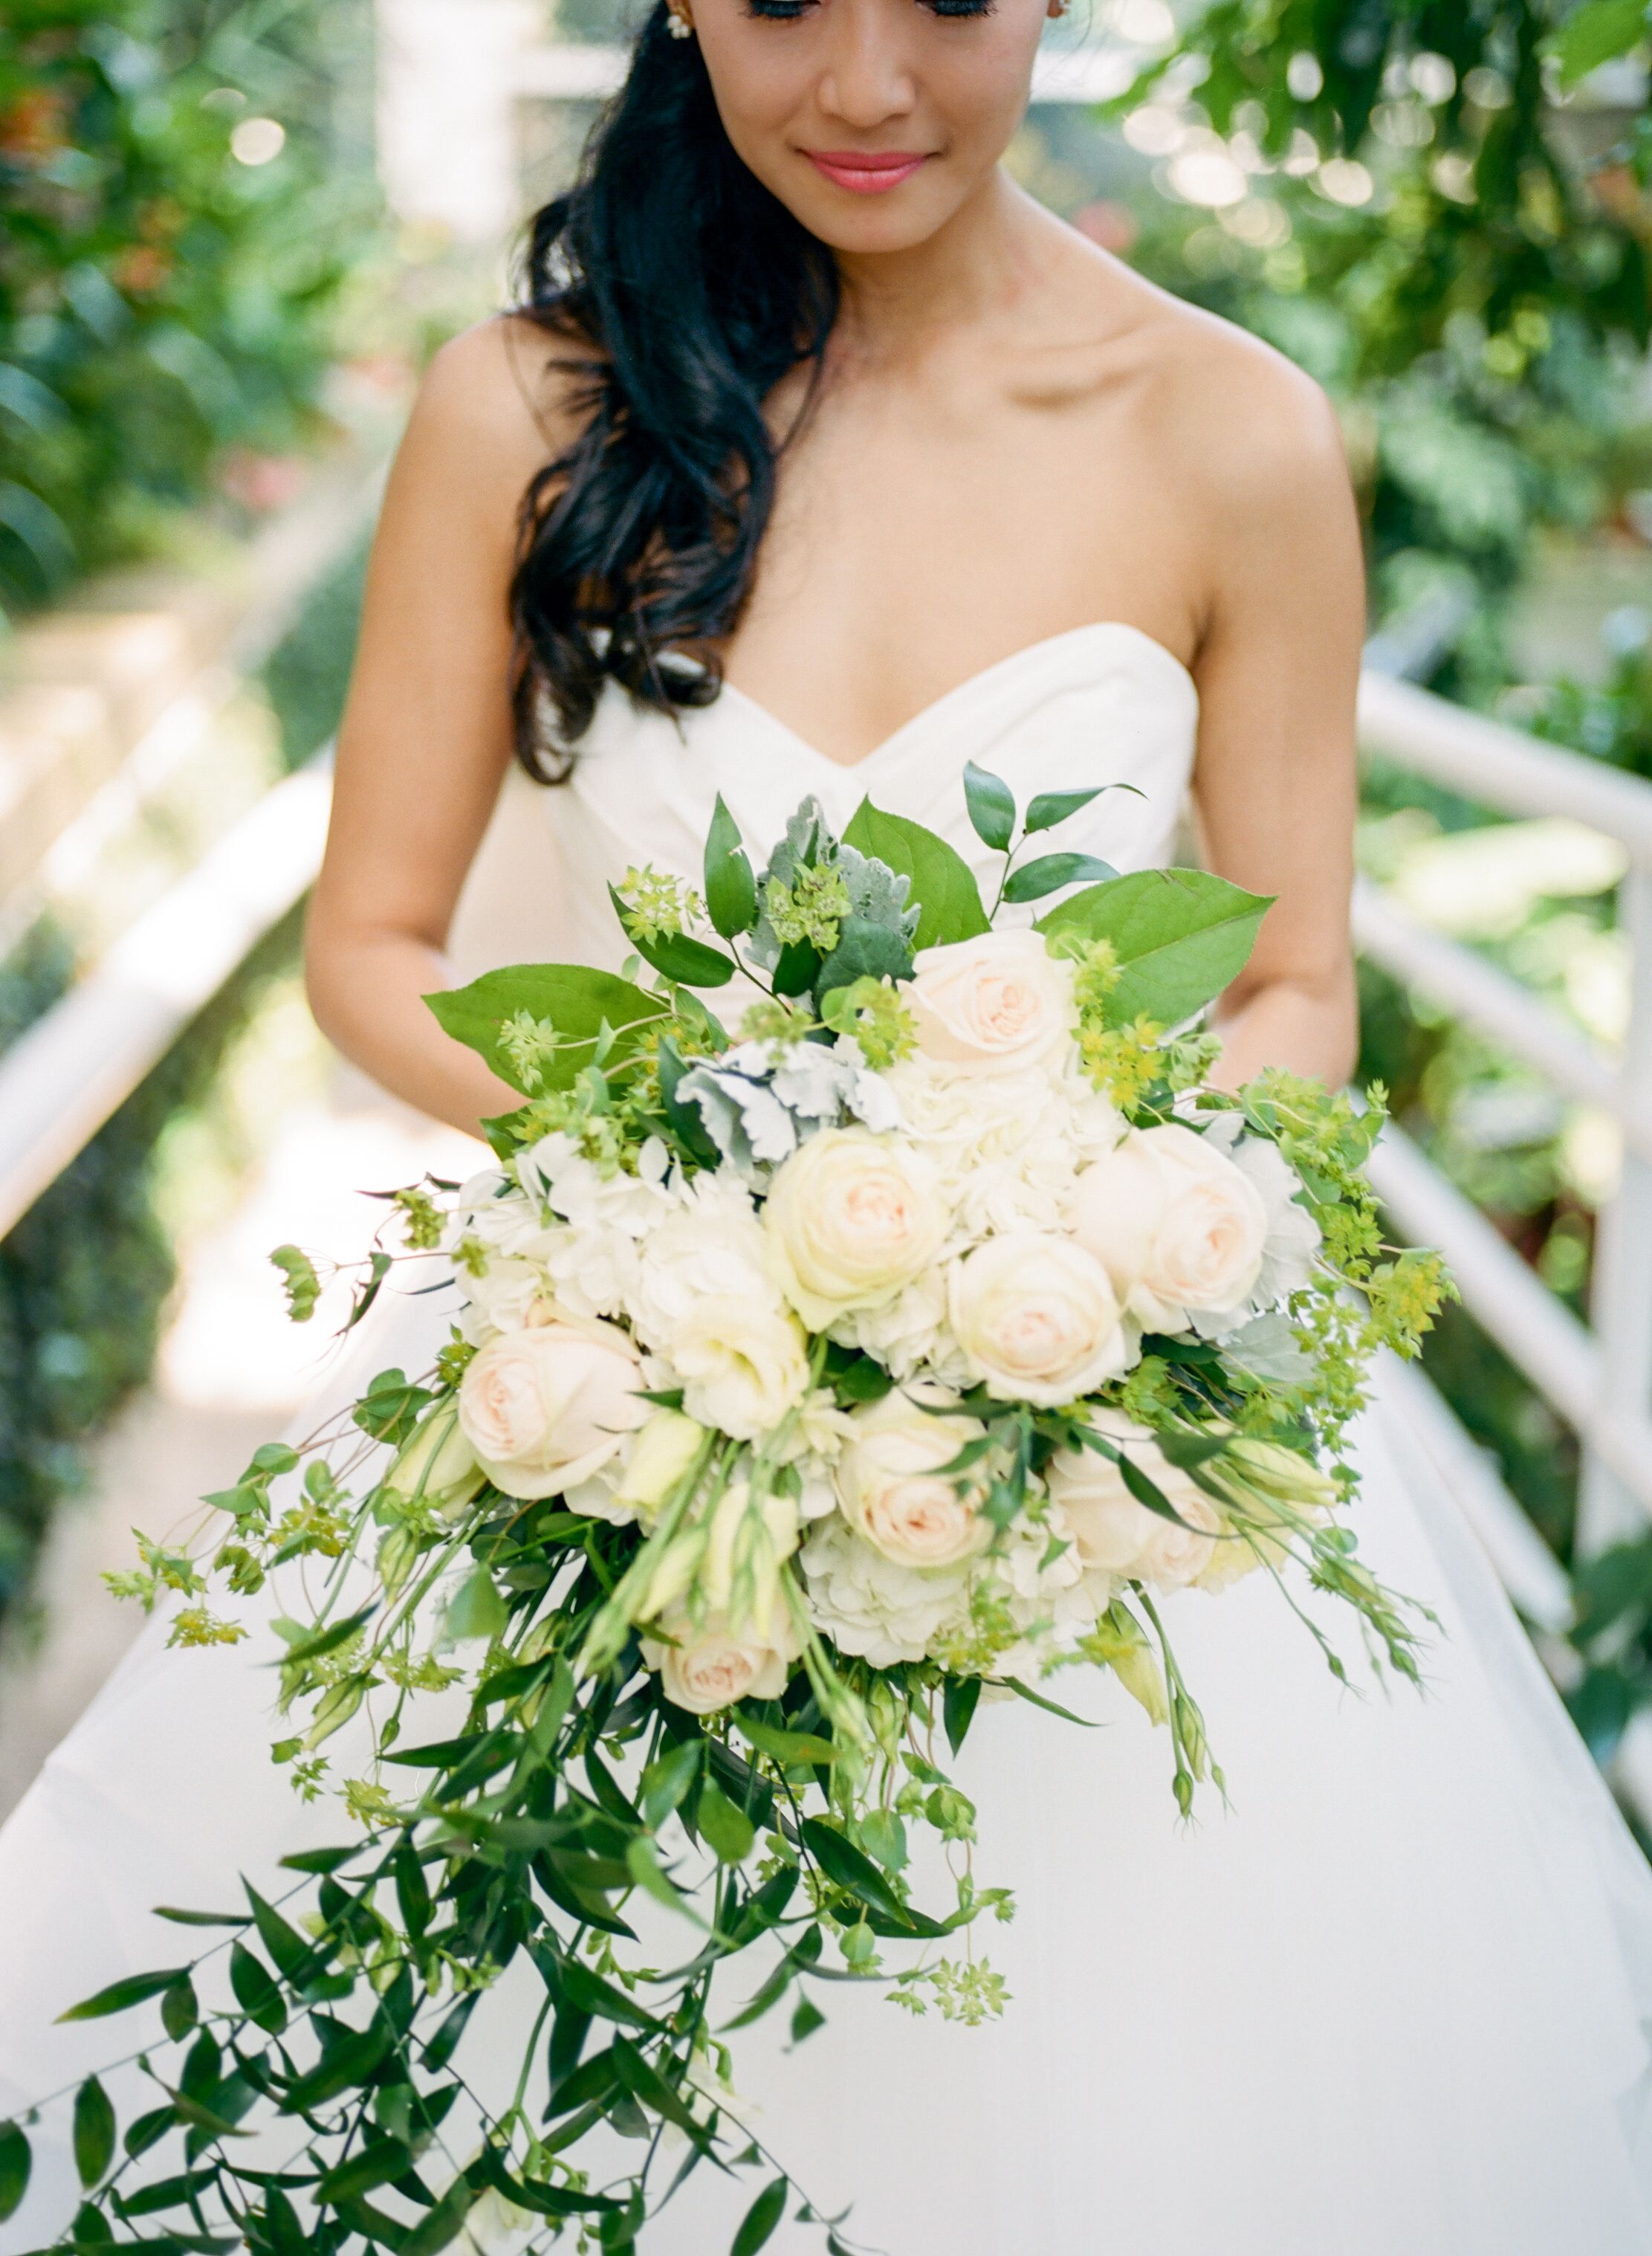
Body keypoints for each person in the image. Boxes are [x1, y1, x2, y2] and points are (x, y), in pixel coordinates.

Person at [3, 2, 1651, 2250]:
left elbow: (1290, 979)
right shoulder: (530, 410)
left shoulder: (1235, 435)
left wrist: (1066, 1239)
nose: (868, 86)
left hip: (1100, 1440)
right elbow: (373, 946)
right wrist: (714, 1199)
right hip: (620, 1405)